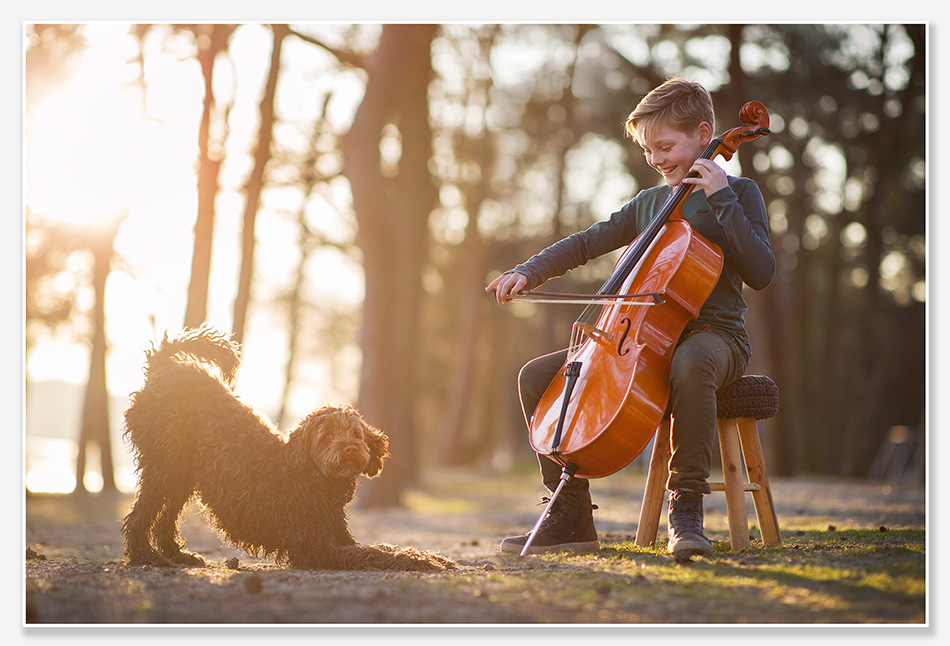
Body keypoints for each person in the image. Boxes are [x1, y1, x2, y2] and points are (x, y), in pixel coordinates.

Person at [485, 78, 775, 559]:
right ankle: (570, 513)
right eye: (647, 150)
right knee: (537, 376)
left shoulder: (739, 192)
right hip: (641, 341)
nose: (657, 159)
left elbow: (762, 272)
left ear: (705, 134)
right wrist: (528, 270)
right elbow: (585, 242)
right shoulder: (648, 204)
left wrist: (721, 197)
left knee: (692, 361)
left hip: (717, 339)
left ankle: (685, 512)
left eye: (665, 146)